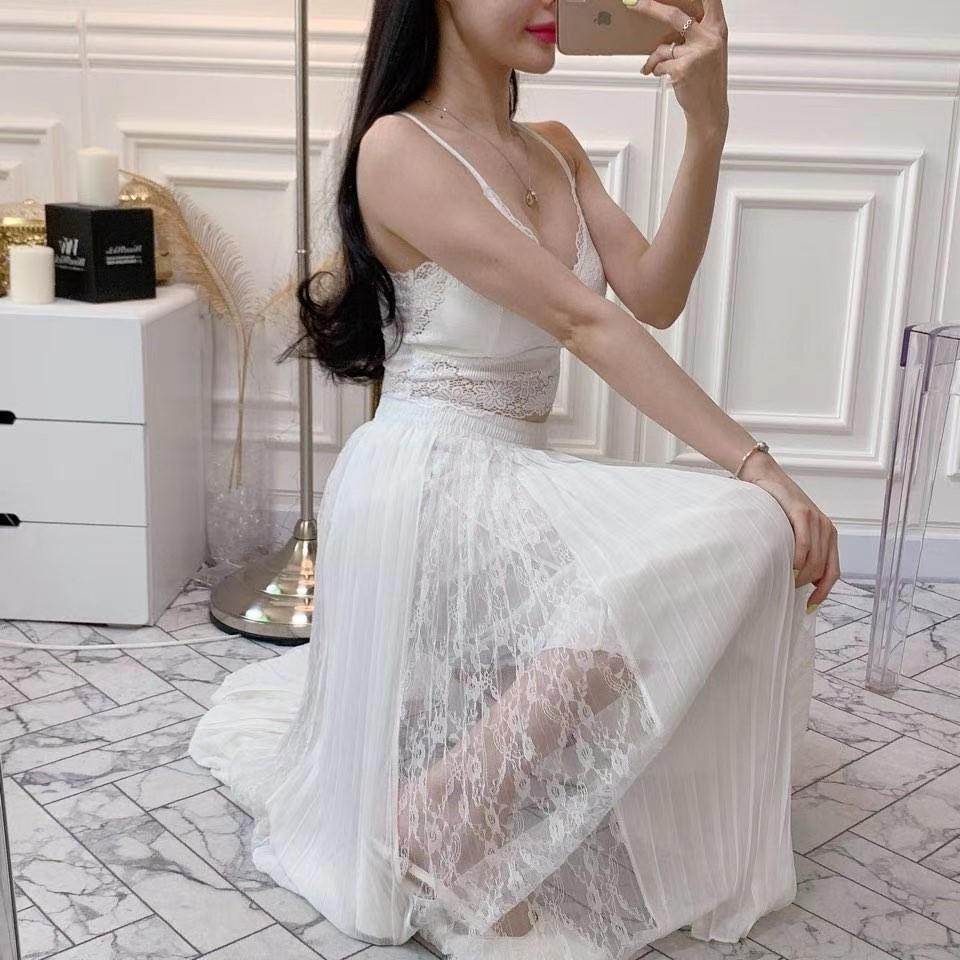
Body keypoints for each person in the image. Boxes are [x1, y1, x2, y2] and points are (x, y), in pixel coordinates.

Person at [188, 1, 841, 958]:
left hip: (516, 471)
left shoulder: (556, 149)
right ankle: (451, 811)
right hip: (425, 475)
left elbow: (654, 294)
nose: (551, 2)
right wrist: (759, 463)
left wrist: (708, 125)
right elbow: (584, 322)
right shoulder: (396, 148)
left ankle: (466, 787)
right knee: (744, 522)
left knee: (718, 548)